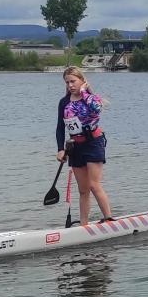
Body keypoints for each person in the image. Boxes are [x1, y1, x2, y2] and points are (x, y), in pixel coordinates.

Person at [55, 66, 114, 226]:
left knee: (94, 185)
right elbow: (60, 127)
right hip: (75, 147)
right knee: (83, 190)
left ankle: (108, 219)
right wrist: (61, 149)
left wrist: (84, 92)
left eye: (73, 81)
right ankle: (83, 225)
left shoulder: (91, 99)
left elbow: (97, 108)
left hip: (93, 143)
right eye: (67, 82)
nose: (70, 85)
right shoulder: (64, 102)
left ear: (82, 80)